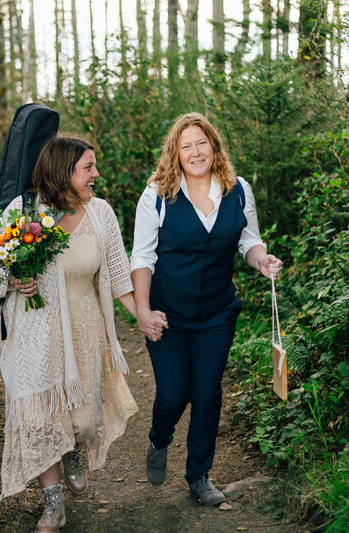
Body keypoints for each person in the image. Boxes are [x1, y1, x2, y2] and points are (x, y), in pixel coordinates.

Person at [0, 135, 163, 532]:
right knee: (40, 417)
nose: (96, 175)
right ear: (63, 173)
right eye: (88, 168)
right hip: (33, 330)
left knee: (82, 421)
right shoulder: (25, 210)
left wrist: (143, 316)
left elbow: (119, 275)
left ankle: (72, 450)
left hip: (85, 327)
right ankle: (53, 505)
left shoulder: (100, 214)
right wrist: (16, 277)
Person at [130, 112, 283, 506]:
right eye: (186, 146)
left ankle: (199, 474)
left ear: (213, 146)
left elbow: (249, 242)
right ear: (175, 154)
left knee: (207, 393)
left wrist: (262, 260)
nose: (195, 152)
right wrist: (144, 312)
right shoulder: (157, 196)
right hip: (168, 313)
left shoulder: (239, 190)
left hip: (216, 312)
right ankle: (159, 439)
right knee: (172, 394)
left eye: (202, 143)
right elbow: (142, 258)